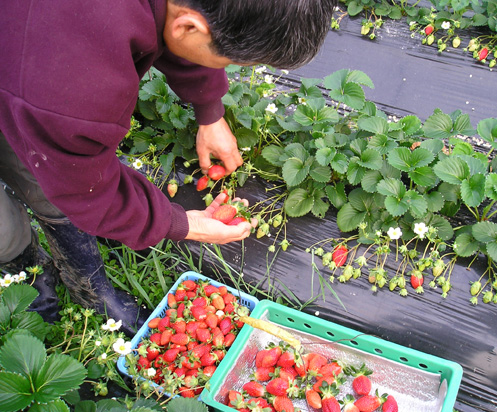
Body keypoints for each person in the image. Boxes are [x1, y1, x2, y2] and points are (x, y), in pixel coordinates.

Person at [0, 0, 336, 334]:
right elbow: (87, 189)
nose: (231, 65)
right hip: (31, 74)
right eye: (232, 60)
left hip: (25, 58)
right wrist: (180, 223)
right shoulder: (75, 92)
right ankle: (25, 271)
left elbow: (174, 19)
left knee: (37, 169)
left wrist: (209, 109)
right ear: (189, 27)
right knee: (6, 225)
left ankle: (79, 278)